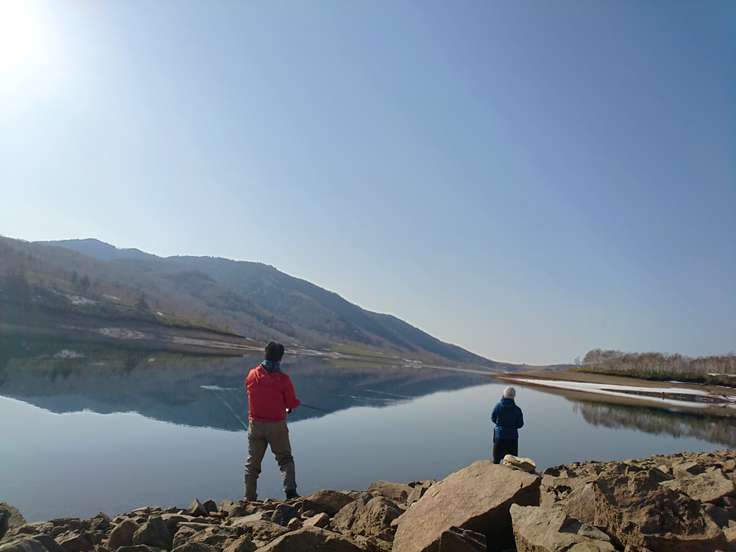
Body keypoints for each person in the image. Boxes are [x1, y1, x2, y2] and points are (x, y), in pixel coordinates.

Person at [244, 342, 301, 500]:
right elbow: (291, 403)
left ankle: (249, 497)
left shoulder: (252, 375)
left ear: (265, 354)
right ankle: (290, 492)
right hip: (276, 426)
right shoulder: (283, 380)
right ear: (280, 358)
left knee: (252, 463)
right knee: (285, 459)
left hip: (255, 425)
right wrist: (293, 405)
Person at [491, 386, 524, 464]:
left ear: (504, 394)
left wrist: (500, 425)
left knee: (496, 461)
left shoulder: (498, 406)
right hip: (512, 438)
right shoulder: (517, 409)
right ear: (514, 396)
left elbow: (493, 418)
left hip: (499, 437)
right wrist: (512, 426)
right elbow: (520, 424)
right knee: (512, 462)